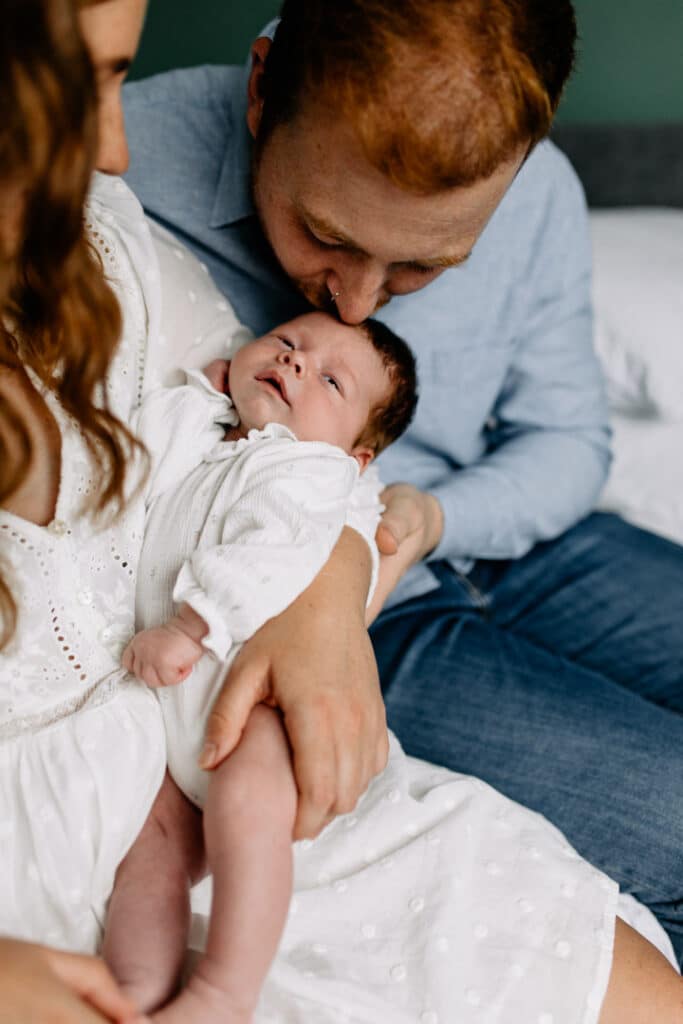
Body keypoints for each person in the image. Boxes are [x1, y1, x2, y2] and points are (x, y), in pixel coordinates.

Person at [1, 0, 682, 1020]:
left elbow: (566, 441)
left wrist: (414, 524)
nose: (358, 305)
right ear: (262, 85)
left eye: (422, 268)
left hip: (497, 538)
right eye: (323, 235)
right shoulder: (108, 174)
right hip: (330, 606)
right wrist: (334, 574)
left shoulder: (527, 189)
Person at [104, 312, 416, 1021]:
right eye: (286, 344)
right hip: (167, 714)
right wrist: (208, 390)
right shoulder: (205, 429)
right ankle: (131, 992)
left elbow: (268, 556)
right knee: (149, 861)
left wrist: (190, 628)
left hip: (252, 701)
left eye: (330, 381)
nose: (297, 363)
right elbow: (135, 448)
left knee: (248, 812)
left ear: (358, 456)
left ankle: (225, 992)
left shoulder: (310, 473)